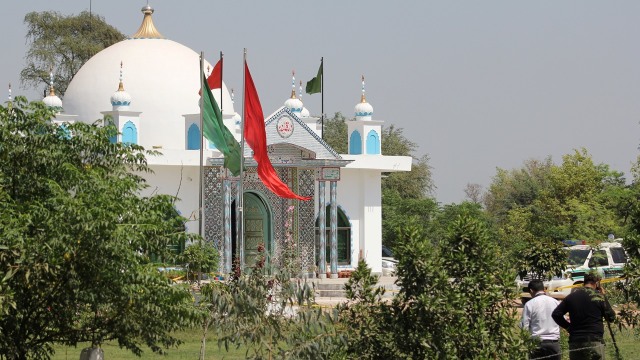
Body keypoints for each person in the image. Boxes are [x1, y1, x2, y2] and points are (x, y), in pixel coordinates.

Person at [552, 273, 616, 360]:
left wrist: (568, 327)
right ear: (596, 283)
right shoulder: (598, 296)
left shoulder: (571, 297)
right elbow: (611, 317)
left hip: (576, 341)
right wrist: (603, 296)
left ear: (584, 283)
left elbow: (556, 314)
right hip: (594, 340)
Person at [520, 279, 561, 360]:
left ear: (531, 290)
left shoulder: (529, 304)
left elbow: (524, 326)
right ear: (543, 289)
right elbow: (561, 320)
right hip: (554, 343)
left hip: (537, 343)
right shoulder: (555, 302)